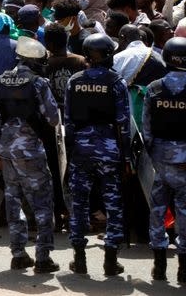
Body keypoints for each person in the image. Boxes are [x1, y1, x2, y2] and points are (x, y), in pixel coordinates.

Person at [0, 37, 61, 273]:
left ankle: (18, 254)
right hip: (30, 151)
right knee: (41, 202)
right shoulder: (38, 83)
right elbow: (53, 118)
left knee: (13, 201)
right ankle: (43, 257)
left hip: (6, 151)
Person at [64, 33, 131, 276]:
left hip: (81, 150)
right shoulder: (116, 82)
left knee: (79, 203)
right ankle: (111, 260)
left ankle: (79, 258)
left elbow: (68, 121)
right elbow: (124, 123)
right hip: (109, 150)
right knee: (113, 202)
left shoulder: (75, 80)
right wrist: (126, 157)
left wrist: (71, 151)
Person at [143, 37, 186, 283]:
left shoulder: (154, 88)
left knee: (158, 211)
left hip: (159, 161)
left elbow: (146, 129)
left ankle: (159, 267)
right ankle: (183, 269)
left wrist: (155, 158)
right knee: (184, 213)